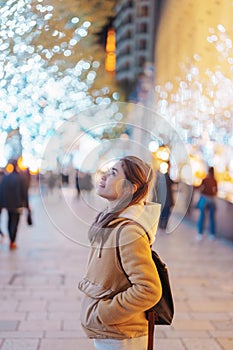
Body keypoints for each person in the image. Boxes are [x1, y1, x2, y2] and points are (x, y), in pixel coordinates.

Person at [78, 156, 162, 350]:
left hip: (122, 339)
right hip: (112, 335)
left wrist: (104, 313)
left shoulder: (129, 232)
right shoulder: (111, 223)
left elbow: (149, 289)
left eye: (113, 173)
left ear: (129, 188)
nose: (105, 175)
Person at [0, 160, 25, 250]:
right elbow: (24, 192)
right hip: (17, 205)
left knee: (10, 221)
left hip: (8, 205)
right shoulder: (20, 178)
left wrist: (2, 204)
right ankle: (12, 241)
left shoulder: (6, 178)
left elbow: (2, 191)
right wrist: (26, 205)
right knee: (15, 222)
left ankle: (11, 239)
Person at [196, 166, 218, 240]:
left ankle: (200, 233)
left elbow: (200, 188)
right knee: (211, 218)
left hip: (205, 199)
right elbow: (216, 191)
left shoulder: (205, 179)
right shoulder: (214, 180)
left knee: (202, 216)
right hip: (211, 200)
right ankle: (212, 234)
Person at [153, 163, 174, 230]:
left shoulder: (161, 177)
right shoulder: (163, 177)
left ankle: (162, 225)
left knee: (164, 213)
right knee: (164, 213)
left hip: (165, 200)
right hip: (164, 200)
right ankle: (162, 225)